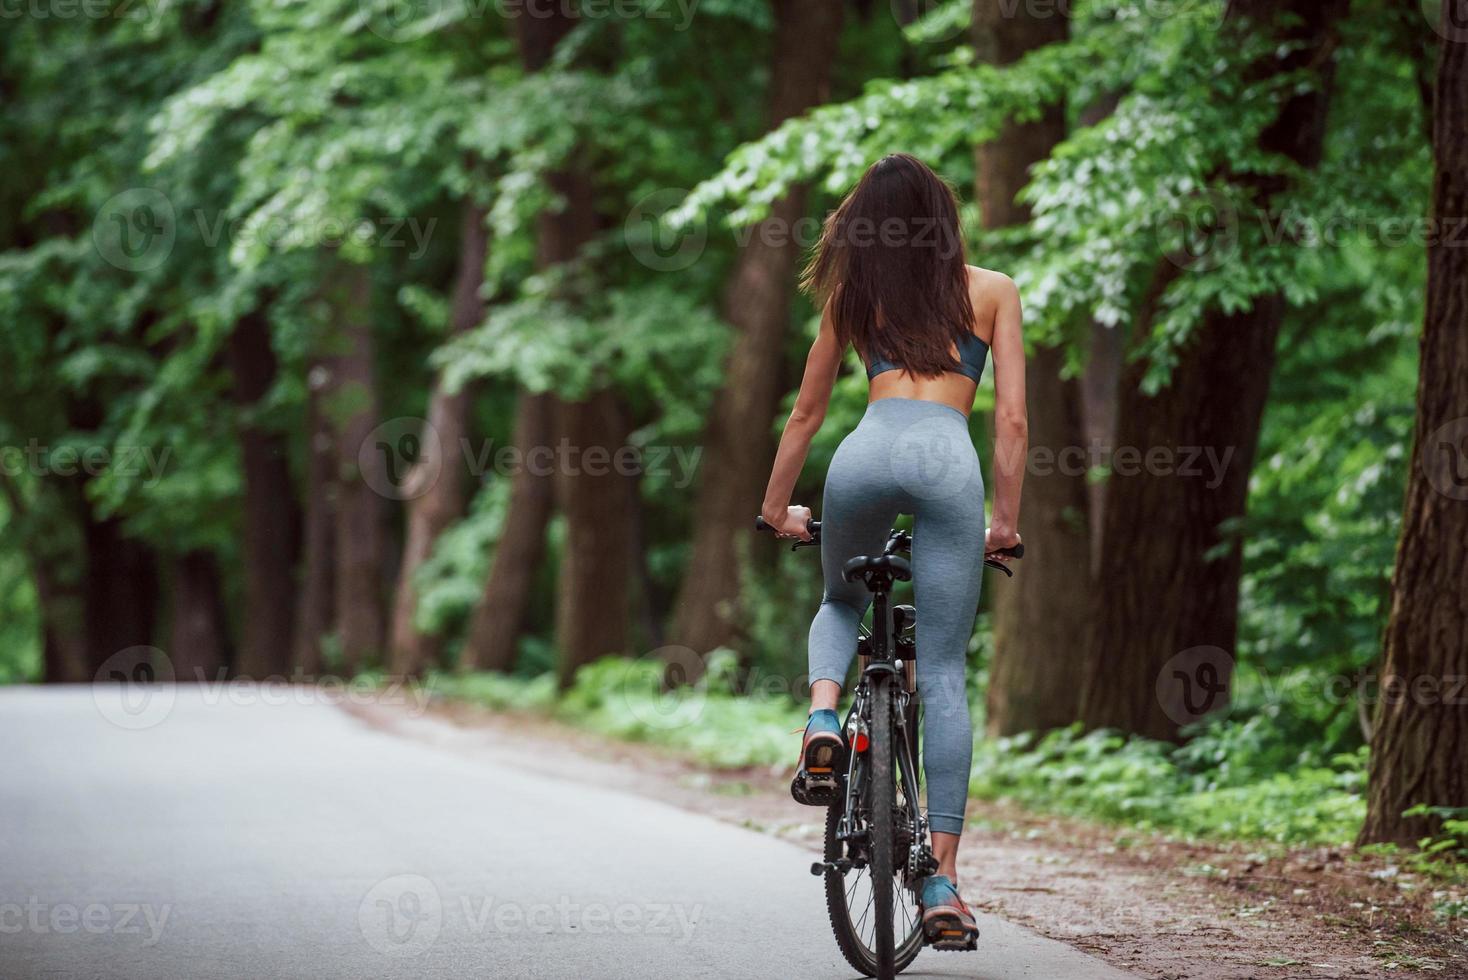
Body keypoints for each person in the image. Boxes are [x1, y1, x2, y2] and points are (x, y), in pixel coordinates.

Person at [758, 153, 1027, 945]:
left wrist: (776, 509)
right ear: (944, 216)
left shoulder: (854, 296)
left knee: (841, 598)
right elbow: (1010, 422)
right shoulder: (993, 289)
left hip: (863, 457)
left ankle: (821, 720)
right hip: (949, 466)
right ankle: (941, 882)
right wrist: (1002, 522)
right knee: (940, 668)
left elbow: (806, 414)